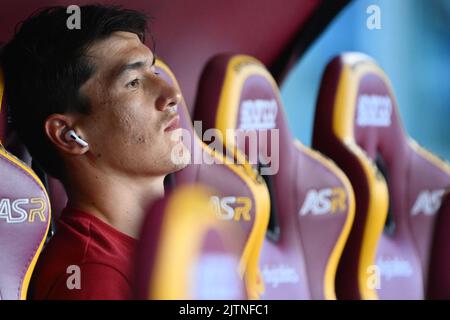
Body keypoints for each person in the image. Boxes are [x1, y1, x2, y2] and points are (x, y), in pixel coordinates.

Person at [1, 5, 186, 299]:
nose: (172, 94)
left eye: (154, 70)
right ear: (68, 135)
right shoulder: (91, 278)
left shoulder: (174, 246)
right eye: (134, 82)